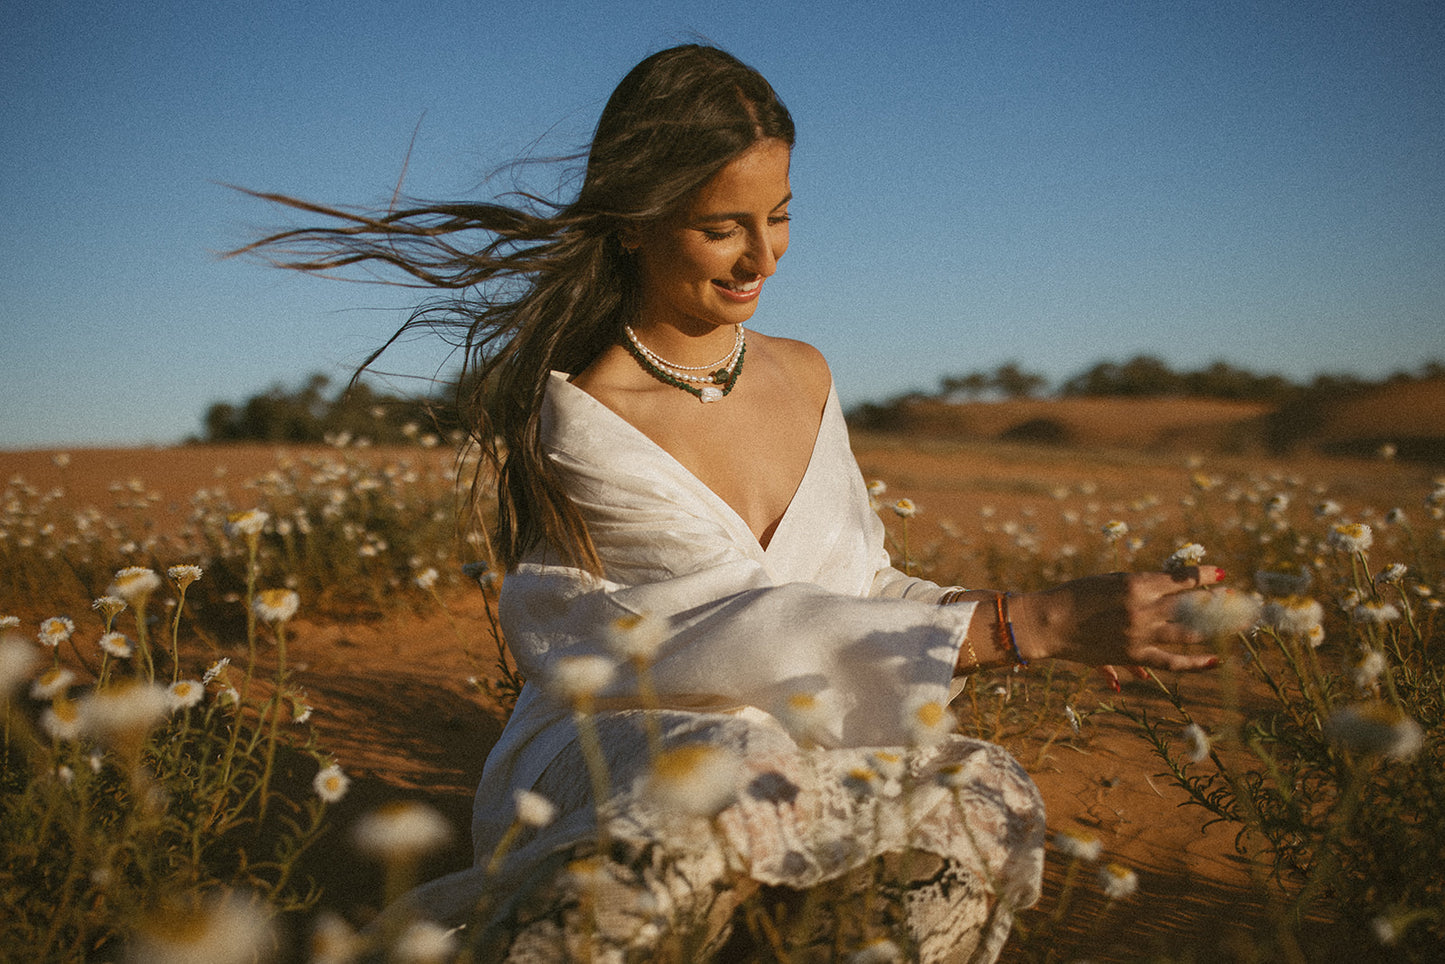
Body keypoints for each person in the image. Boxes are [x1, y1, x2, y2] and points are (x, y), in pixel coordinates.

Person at [243, 44, 1222, 962]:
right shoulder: (582, 418)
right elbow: (707, 637)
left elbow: (854, 579)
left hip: (814, 744)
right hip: (627, 743)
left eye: (780, 214)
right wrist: (1016, 626)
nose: (763, 256)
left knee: (961, 817)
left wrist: (1088, 616)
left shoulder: (804, 373)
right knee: (722, 769)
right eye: (722, 225)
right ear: (633, 221)